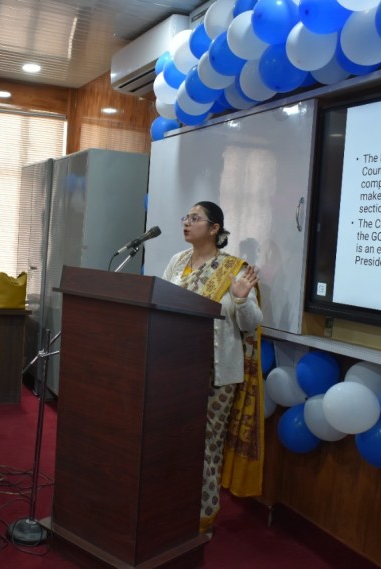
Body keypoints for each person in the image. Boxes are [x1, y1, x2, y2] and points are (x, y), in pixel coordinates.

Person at [161, 201, 263, 534]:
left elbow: (250, 325)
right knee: (172, 440)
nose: (186, 223)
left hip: (215, 374)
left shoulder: (235, 269)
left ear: (214, 228)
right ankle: (168, 507)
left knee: (205, 445)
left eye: (194, 218)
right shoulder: (177, 261)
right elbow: (160, 303)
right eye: (185, 217)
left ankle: (201, 520)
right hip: (174, 369)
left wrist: (242, 299)